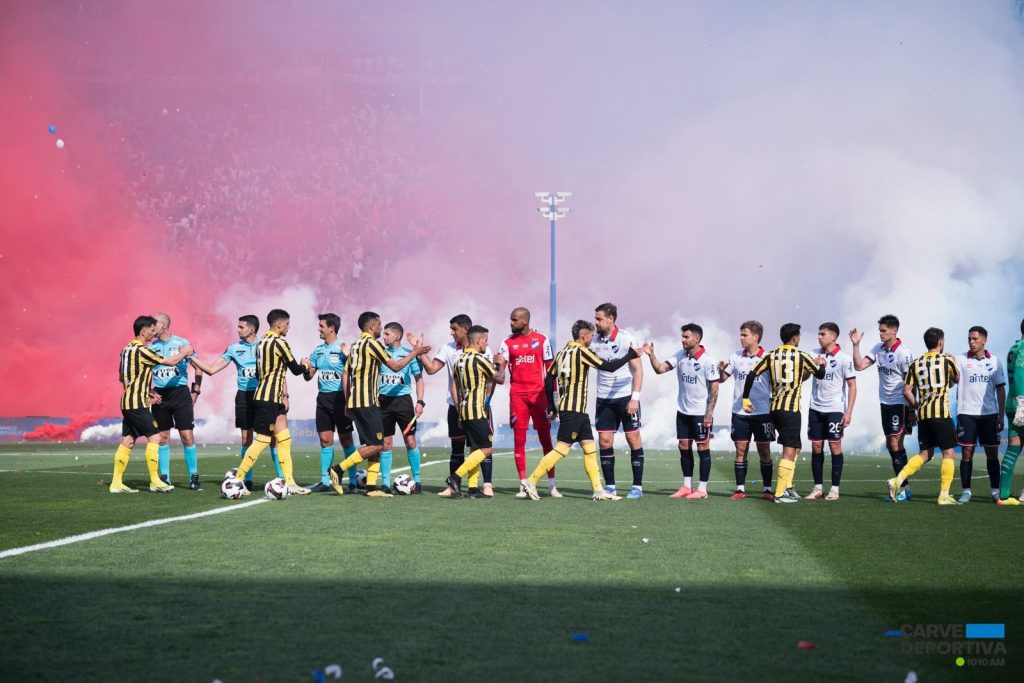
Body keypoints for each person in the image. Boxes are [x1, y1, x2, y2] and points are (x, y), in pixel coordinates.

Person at [521, 320, 638, 502]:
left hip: (576, 411)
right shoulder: (582, 352)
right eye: (591, 336)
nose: (593, 338)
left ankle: (598, 490)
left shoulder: (562, 353)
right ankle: (531, 480)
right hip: (573, 410)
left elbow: (549, 379)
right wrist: (629, 355)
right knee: (562, 449)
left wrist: (552, 406)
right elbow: (608, 367)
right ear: (583, 336)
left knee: (590, 449)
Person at [328, 312, 431, 496]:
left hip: (369, 401)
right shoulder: (373, 345)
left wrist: (348, 401)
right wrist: (415, 352)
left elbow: (347, 374)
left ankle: (371, 487)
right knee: (378, 445)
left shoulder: (356, 345)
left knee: (377, 443)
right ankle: (338, 469)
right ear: (371, 327)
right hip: (369, 402)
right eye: (379, 326)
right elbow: (396, 366)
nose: (381, 330)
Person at [190, 314, 282, 491]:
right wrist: (190, 357)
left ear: (252, 329)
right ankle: (246, 479)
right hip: (244, 397)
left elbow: (279, 371)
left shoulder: (265, 345)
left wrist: (285, 395)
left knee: (273, 439)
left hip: (265, 395)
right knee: (246, 439)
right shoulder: (233, 349)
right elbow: (211, 369)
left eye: (241, 327)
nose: (238, 330)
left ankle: (281, 477)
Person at [742, 323, 826, 504]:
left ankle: (787, 487)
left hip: (775, 409)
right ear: (795, 337)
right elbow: (819, 375)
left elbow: (751, 375)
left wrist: (745, 399)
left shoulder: (771, 355)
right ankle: (779, 494)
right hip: (791, 410)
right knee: (789, 451)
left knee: (795, 447)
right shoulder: (801, 355)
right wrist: (822, 365)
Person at [230, 309, 311, 496]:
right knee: (263, 440)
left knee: (284, 439)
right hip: (269, 400)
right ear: (280, 324)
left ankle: (289, 482)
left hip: (266, 396)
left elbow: (259, 373)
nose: (289, 328)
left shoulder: (261, 344)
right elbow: (296, 370)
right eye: (288, 324)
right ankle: (239, 479)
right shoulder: (280, 343)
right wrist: (306, 363)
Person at [110, 315, 192, 493]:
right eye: (151, 330)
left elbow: (121, 377)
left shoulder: (126, 350)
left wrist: (147, 390)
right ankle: (155, 481)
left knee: (128, 441)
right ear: (143, 331)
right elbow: (170, 362)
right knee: (155, 437)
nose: (154, 332)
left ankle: (116, 483)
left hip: (127, 401)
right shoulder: (142, 350)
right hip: (137, 403)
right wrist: (186, 352)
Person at [415, 314, 494, 496]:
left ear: (466, 329)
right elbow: (432, 369)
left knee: (479, 446)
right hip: (456, 405)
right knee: (458, 447)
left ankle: (484, 485)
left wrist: (486, 402)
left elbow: (490, 381)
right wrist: (420, 352)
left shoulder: (484, 349)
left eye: (454, 329)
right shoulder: (449, 349)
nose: (451, 333)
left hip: (478, 406)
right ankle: (453, 485)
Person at [642, 324, 719, 500]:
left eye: (686, 337)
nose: (682, 340)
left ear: (697, 339)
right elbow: (660, 369)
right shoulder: (680, 355)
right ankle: (686, 486)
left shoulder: (708, 361)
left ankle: (702, 489)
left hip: (700, 413)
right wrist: (651, 355)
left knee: (702, 447)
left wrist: (709, 413)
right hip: (683, 411)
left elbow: (714, 387)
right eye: (682, 337)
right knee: (683, 446)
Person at [885, 327, 961, 505]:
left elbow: (906, 391)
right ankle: (944, 495)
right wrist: (954, 361)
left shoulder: (915, 363)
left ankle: (897, 481)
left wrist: (917, 405)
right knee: (948, 453)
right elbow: (956, 380)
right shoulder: (946, 361)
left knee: (925, 453)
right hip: (941, 414)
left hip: (924, 415)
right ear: (940, 343)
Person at [850, 315, 915, 501]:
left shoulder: (903, 353)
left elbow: (911, 383)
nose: (880, 333)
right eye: (879, 330)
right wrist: (856, 345)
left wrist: (911, 409)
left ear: (894, 331)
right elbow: (859, 366)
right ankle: (906, 487)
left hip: (899, 403)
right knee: (893, 444)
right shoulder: (878, 349)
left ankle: (901, 488)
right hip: (885, 403)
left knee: (894, 443)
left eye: (884, 330)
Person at [501, 307, 560, 498]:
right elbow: (499, 372)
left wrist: (554, 399)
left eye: (514, 320)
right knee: (519, 439)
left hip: (539, 395)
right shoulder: (506, 343)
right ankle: (523, 484)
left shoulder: (541, 339)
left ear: (524, 321)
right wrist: (497, 365)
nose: (511, 323)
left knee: (546, 439)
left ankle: (551, 484)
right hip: (517, 395)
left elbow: (551, 370)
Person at [591, 303, 645, 498]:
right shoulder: (593, 340)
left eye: (599, 319)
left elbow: (638, 370)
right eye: (595, 319)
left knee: (633, 438)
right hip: (603, 399)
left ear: (611, 319)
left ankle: (637, 487)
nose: (595, 322)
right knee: (605, 441)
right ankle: (610, 486)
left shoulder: (626, 339)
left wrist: (635, 398)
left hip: (625, 398)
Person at [301, 313, 359, 493]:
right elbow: (309, 376)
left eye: (321, 326)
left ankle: (353, 483)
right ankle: (325, 481)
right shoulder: (317, 350)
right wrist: (304, 366)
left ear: (331, 328)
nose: (318, 329)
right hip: (323, 400)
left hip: (340, 399)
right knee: (325, 440)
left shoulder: (343, 348)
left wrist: (349, 357)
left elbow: (354, 371)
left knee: (346, 439)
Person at [717, 321, 775, 501]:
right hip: (740, 413)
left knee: (764, 450)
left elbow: (776, 383)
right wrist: (720, 370)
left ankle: (767, 489)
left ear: (756, 337)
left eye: (745, 335)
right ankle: (740, 489)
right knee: (740, 450)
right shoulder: (735, 357)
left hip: (762, 412)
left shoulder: (768, 358)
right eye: (740, 335)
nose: (741, 338)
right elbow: (722, 379)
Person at [446, 325, 506, 498]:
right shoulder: (480, 360)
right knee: (486, 449)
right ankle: (455, 477)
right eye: (486, 340)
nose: (486, 344)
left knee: (475, 449)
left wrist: (458, 410)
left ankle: (473, 488)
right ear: (478, 340)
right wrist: (500, 365)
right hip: (476, 412)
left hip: (464, 411)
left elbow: (455, 388)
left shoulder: (459, 361)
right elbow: (500, 379)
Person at [148, 312, 203, 490]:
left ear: (163, 325)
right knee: (163, 438)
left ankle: (193, 477)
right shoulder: (150, 347)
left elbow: (198, 368)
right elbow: (146, 372)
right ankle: (165, 478)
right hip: (160, 396)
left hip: (180, 394)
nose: (151, 327)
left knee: (187, 436)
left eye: (153, 324)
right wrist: (149, 391)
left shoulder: (182, 343)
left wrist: (195, 391)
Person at [805, 322, 857, 501]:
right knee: (816, 446)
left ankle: (835, 489)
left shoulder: (844, 358)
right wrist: (813, 366)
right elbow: (804, 377)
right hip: (815, 408)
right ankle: (818, 488)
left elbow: (852, 386)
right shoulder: (813, 354)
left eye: (822, 334)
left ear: (833, 337)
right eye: (818, 334)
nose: (819, 337)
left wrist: (848, 411)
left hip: (835, 409)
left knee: (835, 446)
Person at [954, 326, 1005, 503]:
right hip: (966, 413)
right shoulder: (960, 359)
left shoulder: (995, 361)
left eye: (975, 339)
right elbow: (954, 379)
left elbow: (1000, 389)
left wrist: (1001, 414)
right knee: (967, 453)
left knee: (992, 453)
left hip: (990, 414)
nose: (971, 342)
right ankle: (966, 491)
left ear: (984, 340)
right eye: (969, 339)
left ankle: (995, 491)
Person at [377, 321, 425, 493]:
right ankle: (385, 483)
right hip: (383, 402)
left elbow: (419, 379)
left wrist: (420, 401)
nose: (383, 337)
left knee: (410, 440)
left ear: (396, 336)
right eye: (383, 334)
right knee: (386, 443)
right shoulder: (380, 353)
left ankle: (418, 481)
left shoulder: (408, 354)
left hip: (403, 402)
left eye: (387, 334)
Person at [998, 319, 1024, 505]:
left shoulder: (1013, 349)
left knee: (1014, 447)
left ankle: (1004, 495)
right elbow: (1021, 376)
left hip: (1012, 402)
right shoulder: (1023, 350)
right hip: (1021, 401)